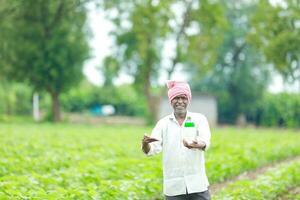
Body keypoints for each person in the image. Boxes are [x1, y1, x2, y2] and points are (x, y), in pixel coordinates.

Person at [142, 80, 211, 200]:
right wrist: (145, 144)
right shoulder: (163, 124)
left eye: (183, 98)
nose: (180, 101)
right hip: (174, 187)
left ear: (188, 99)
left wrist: (196, 144)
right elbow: (151, 150)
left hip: (198, 184)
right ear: (171, 101)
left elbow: (205, 140)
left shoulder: (199, 119)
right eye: (176, 98)